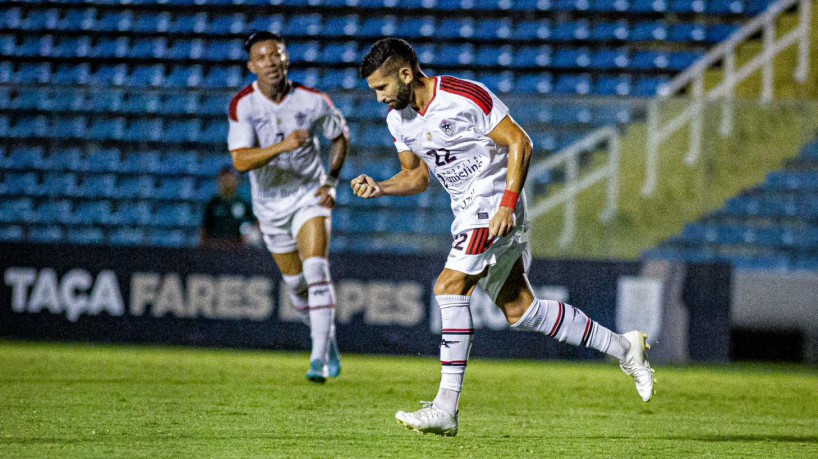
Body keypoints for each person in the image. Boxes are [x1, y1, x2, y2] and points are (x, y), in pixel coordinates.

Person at [352, 38, 654, 436]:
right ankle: (624, 347)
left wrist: (507, 205)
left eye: (382, 88)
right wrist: (382, 186)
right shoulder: (399, 121)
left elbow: (520, 142)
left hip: (495, 202)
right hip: (467, 211)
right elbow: (417, 177)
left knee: (449, 287)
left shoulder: (464, 95)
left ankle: (445, 407)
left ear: (406, 74)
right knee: (521, 311)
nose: (378, 98)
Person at [227, 31, 350, 383]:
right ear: (252, 66)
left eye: (276, 54)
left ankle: (318, 358)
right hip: (269, 206)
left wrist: (332, 182)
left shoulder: (312, 101)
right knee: (296, 284)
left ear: (287, 58)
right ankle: (327, 341)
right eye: (262, 57)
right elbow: (240, 161)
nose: (271, 62)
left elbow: (340, 135)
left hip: (309, 196)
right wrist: (281, 148)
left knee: (316, 272)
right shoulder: (244, 105)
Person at [200, 166, 256, 248]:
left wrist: (249, 236)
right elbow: (204, 230)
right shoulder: (212, 204)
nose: (227, 181)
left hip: (238, 249)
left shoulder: (243, 203)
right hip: (216, 248)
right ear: (219, 180)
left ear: (237, 181)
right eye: (224, 178)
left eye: (230, 178)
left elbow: (255, 225)